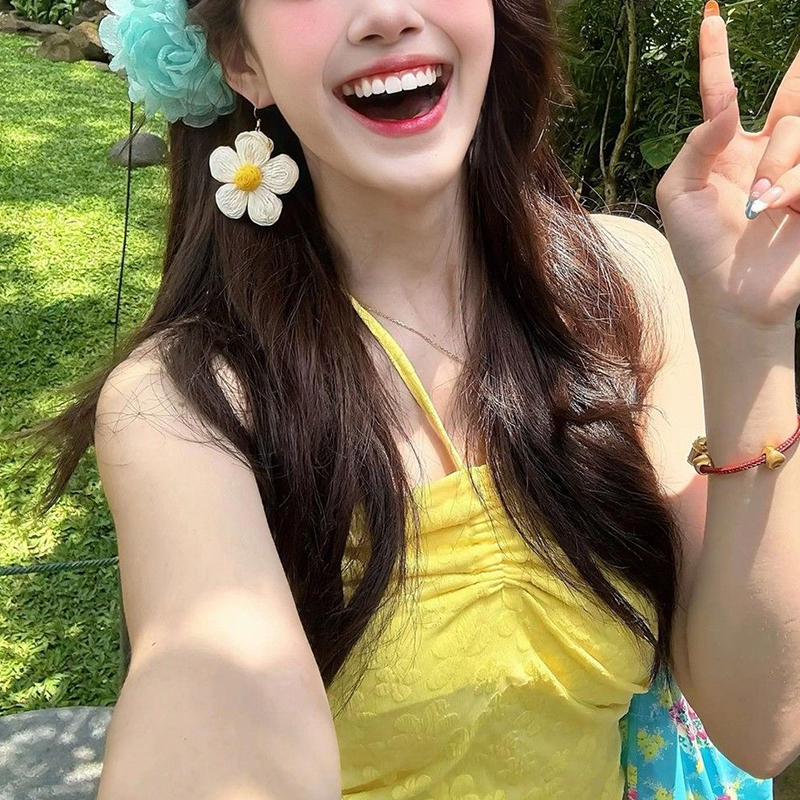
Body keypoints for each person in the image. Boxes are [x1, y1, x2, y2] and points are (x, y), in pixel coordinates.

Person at [10, 0, 800, 797]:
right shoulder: (186, 406)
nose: (386, 14)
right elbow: (208, 679)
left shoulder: (627, 287)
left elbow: (760, 723)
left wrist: (750, 333)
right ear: (241, 61)